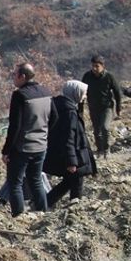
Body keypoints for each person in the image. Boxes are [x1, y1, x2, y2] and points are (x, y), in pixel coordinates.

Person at [3, 63, 53, 217]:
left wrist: (6, 150)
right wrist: (43, 132)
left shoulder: (20, 95)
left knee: (15, 183)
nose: (13, 78)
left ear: (22, 77)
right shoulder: (46, 92)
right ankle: (43, 214)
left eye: (14, 75)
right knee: (36, 180)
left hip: (23, 147)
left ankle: (18, 217)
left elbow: (15, 126)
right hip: (41, 146)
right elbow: (55, 117)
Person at [45, 80, 97, 208]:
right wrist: (71, 161)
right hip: (73, 153)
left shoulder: (61, 107)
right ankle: (73, 203)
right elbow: (69, 137)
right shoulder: (69, 112)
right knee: (76, 177)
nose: (84, 97)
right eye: (83, 93)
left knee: (71, 179)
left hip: (66, 151)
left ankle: (45, 203)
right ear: (76, 93)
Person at [81, 55, 123, 159]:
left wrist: (118, 108)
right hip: (93, 107)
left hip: (107, 107)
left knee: (105, 127)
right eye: (93, 66)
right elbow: (81, 92)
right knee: (96, 131)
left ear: (102, 66)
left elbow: (117, 93)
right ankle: (100, 150)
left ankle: (106, 149)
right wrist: (80, 108)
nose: (95, 69)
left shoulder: (109, 77)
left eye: (97, 66)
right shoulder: (87, 76)